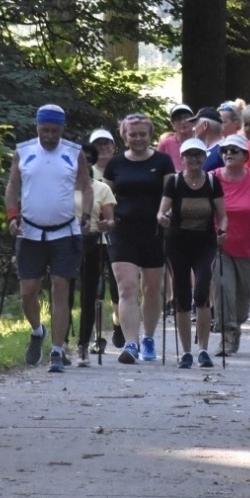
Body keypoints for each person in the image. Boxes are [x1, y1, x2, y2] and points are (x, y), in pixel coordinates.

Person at [4, 105, 92, 373]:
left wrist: (86, 214)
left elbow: (86, 186)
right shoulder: (25, 151)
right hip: (30, 231)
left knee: (60, 286)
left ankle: (57, 349)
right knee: (28, 292)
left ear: (62, 129)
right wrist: (11, 216)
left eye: (55, 130)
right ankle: (37, 330)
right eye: (45, 130)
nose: (50, 136)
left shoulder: (74, 153)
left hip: (65, 231)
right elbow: (13, 186)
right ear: (37, 127)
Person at [103, 112, 175, 362]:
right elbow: (106, 197)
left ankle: (148, 338)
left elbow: (170, 194)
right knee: (126, 287)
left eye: (142, 134)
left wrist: (166, 215)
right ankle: (131, 344)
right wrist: (106, 219)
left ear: (150, 135)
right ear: (124, 136)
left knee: (152, 289)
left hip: (154, 232)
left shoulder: (164, 161)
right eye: (132, 134)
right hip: (122, 231)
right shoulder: (115, 164)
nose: (138, 138)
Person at [158, 138, 227, 368]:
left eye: (198, 155)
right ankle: (186, 351)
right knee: (182, 296)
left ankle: (203, 350)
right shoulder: (175, 182)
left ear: (204, 157)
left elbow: (222, 214)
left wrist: (223, 229)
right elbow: (162, 211)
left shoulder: (211, 181)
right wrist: (163, 218)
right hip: (177, 245)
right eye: (189, 155)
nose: (194, 159)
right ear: (183, 158)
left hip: (205, 244)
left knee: (202, 292)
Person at [213, 133, 250, 356]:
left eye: (234, 150)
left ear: (246, 155)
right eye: (225, 150)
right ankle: (227, 334)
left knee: (242, 300)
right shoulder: (212, 178)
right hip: (220, 246)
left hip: (249, 248)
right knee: (224, 289)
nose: (229, 154)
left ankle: (236, 324)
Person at [74, 130, 118, 366]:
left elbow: (111, 221)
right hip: (66, 243)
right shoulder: (61, 187)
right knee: (65, 294)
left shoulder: (101, 188)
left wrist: (105, 223)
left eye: (87, 158)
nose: (84, 162)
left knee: (91, 294)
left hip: (94, 242)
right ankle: (59, 346)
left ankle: (84, 343)